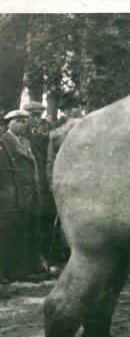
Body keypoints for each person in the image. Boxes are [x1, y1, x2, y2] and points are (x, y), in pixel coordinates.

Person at [0, 109, 48, 279]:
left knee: (30, 231)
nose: (21, 124)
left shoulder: (26, 142)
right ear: (8, 124)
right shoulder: (3, 143)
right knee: (11, 233)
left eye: (23, 121)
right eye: (17, 121)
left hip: (31, 194)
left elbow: (33, 168)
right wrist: (9, 197)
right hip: (13, 196)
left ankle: (27, 267)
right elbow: (4, 173)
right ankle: (7, 271)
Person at [23, 101, 56, 263]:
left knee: (47, 216)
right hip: (31, 182)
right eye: (33, 116)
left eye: (38, 116)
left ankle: (48, 255)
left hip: (44, 180)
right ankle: (36, 257)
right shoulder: (23, 134)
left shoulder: (42, 133)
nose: (36, 119)